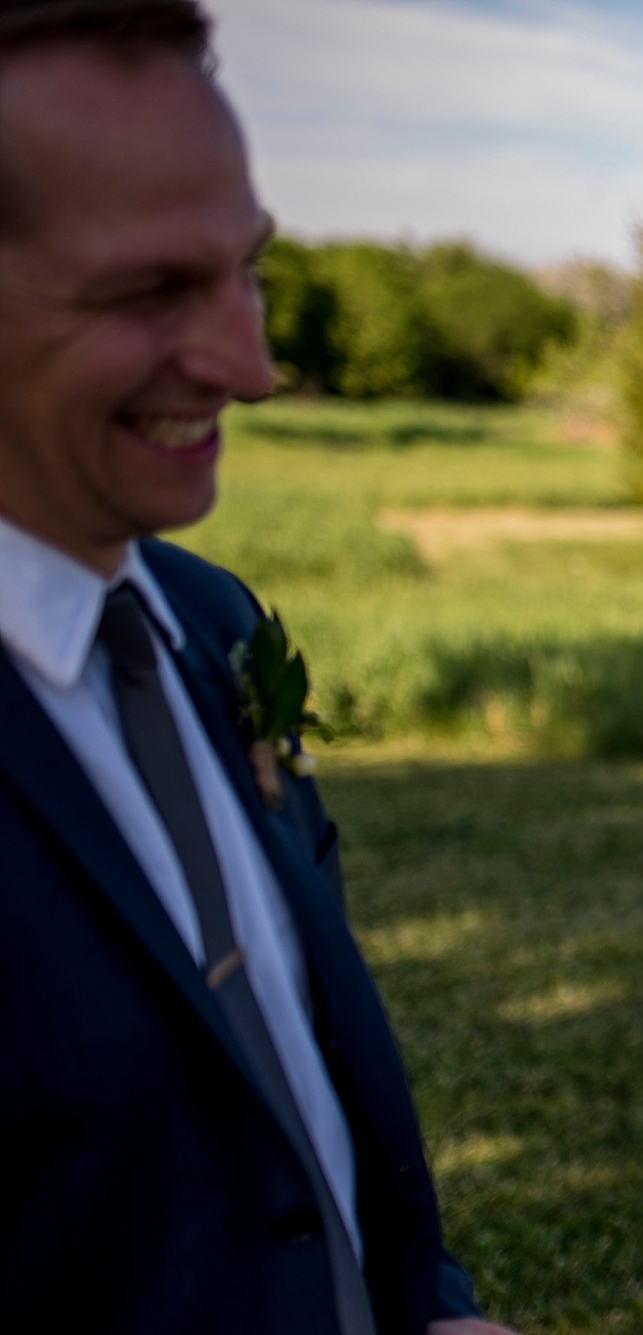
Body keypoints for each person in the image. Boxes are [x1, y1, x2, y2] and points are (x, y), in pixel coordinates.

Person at [0, 4, 515, 1331]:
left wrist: (425, 1305)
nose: (250, 363)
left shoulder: (211, 621)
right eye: (152, 290)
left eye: (249, 273)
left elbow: (299, 1058)